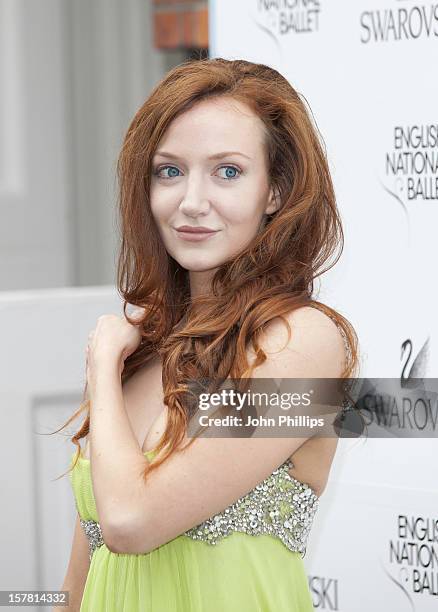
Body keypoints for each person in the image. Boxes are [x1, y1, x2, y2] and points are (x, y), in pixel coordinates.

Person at [55, 57, 360, 611]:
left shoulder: (305, 343)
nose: (192, 202)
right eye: (169, 171)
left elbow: (129, 521)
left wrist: (100, 364)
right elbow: (78, 580)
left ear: (276, 191)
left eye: (228, 171)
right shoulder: (137, 353)